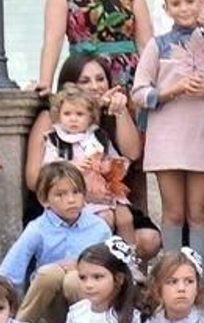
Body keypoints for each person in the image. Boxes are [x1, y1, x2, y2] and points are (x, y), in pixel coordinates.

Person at [24, 52, 158, 264]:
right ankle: (95, 270)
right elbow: (33, 179)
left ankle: (127, 268)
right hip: (65, 199)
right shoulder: (54, 119)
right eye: (85, 81)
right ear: (69, 87)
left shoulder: (105, 118)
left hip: (104, 195)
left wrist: (120, 112)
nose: (96, 86)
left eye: (100, 79)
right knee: (102, 220)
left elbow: (132, 153)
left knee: (146, 237)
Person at [133, 0, 204, 260]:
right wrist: (171, 91)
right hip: (166, 137)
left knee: (199, 211)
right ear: (166, 7)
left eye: (189, 1)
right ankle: (170, 274)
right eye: (176, 3)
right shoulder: (157, 46)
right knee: (173, 211)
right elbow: (138, 93)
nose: (184, 8)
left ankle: (198, 276)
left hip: (200, 134)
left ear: (201, 1)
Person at [0, 162, 111, 323]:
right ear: (45, 200)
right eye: (60, 195)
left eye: (76, 192)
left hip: (89, 303)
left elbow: (114, 268)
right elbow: (10, 270)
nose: (71, 200)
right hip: (54, 306)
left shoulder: (98, 227)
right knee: (48, 274)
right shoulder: (38, 228)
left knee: (73, 279)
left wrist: (81, 266)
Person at [39, 85, 133, 235]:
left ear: (91, 117)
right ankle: (97, 254)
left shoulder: (98, 136)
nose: (73, 119)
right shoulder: (55, 139)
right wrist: (71, 166)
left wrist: (107, 166)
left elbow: (115, 160)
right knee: (104, 219)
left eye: (80, 114)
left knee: (125, 218)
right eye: (67, 114)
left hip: (101, 191)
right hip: (73, 194)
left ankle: (129, 253)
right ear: (59, 115)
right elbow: (48, 168)